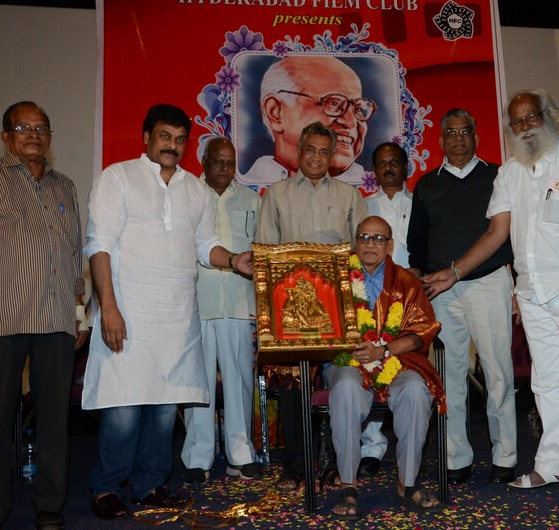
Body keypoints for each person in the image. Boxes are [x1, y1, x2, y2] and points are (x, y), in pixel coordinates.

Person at [423, 90, 559, 496]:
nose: (525, 126)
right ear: (509, 129)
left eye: (531, 117)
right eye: (517, 121)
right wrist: (453, 273)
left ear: (548, 117)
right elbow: (497, 233)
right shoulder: (510, 172)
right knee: (547, 383)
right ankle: (553, 465)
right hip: (532, 292)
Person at [83, 104, 253, 520]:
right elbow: (98, 245)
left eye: (179, 140)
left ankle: (149, 485)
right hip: (126, 312)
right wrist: (108, 307)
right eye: (164, 137)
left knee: (163, 410)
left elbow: (204, 245)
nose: (172, 146)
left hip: (176, 317)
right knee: (122, 408)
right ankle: (107, 488)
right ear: (146, 137)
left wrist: (233, 261)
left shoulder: (194, 190)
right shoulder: (118, 177)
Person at [0, 101, 86, 530]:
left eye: (42, 127)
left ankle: (50, 506)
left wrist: (79, 314)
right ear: (6, 136)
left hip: (56, 323)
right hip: (1, 320)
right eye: (23, 127)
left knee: (54, 422)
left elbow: (72, 255)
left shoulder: (64, 186)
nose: (34, 134)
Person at [255, 121, 369, 490]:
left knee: (341, 384)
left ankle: (338, 464)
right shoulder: (277, 194)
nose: (317, 157)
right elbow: (266, 256)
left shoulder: (351, 197)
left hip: (338, 311)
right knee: (293, 388)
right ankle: (298, 466)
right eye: (310, 150)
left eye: (324, 151)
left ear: (332, 156)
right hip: (291, 309)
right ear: (298, 152)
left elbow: (363, 257)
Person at [407, 108, 516, 485]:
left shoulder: (497, 175)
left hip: (488, 281)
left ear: (476, 136)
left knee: (498, 371)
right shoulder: (426, 184)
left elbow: (510, 235)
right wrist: (420, 280)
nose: (457, 138)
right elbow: (416, 243)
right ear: (440, 140)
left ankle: (506, 455)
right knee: (449, 373)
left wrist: (514, 284)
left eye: (464, 131)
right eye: (450, 132)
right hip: (440, 289)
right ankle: (457, 459)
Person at [325, 216, 444, 520]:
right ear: (355, 242)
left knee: (416, 391)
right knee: (348, 388)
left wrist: (385, 350)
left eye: (378, 238)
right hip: (346, 360)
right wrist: (350, 347)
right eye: (364, 237)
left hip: (396, 360)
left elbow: (423, 332)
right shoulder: (334, 278)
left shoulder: (406, 282)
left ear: (390, 245)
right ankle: (349, 486)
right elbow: (320, 325)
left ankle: (408, 483)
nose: (370, 243)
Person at [181, 137, 262, 486]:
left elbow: (262, 255)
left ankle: (240, 456)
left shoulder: (252, 199)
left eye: (230, 163)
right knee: (197, 386)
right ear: (203, 161)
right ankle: (197, 458)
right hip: (196, 304)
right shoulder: (186, 195)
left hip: (240, 306)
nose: (225, 169)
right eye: (218, 162)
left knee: (240, 382)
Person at [358, 141, 413, 477]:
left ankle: (412, 444)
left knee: (407, 370)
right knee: (369, 365)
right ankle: (372, 446)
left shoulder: (419, 203)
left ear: (405, 167)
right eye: (381, 164)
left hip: (412, 299)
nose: (388, 168)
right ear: (374, 171)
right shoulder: (364, 207)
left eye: (394, 162)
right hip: (372, 300)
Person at [243, 56, 376, 186]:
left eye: (358, 109)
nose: (351, 122)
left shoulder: (371, 190)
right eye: (334, 103)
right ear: (275, 112)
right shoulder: (246, 193)